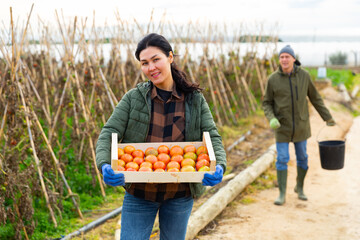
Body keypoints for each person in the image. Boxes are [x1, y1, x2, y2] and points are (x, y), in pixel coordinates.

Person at [95, 33, 227, 239]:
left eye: (156, 59)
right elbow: (108, 132)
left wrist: (218, 165)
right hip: (140, 194)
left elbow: (212, 137)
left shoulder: (193, 100)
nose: (151, 68)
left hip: (179, 194)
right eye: (144, 63)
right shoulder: (134, 98)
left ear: (170, 57)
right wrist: (104, 164)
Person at [262, 45, 335, 206]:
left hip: (301, 126)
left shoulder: (304, 76)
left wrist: (327, 117)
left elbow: (316, 98)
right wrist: (271, 118)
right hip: (281, 127)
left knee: (303, 158)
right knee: (282, 159)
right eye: (282, 57)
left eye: (287, 56)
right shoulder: (273, 79)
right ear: (279, 60)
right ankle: (281, 193)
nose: (284, 60)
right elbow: (266, 103)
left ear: (294, 59)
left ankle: (299, 188)